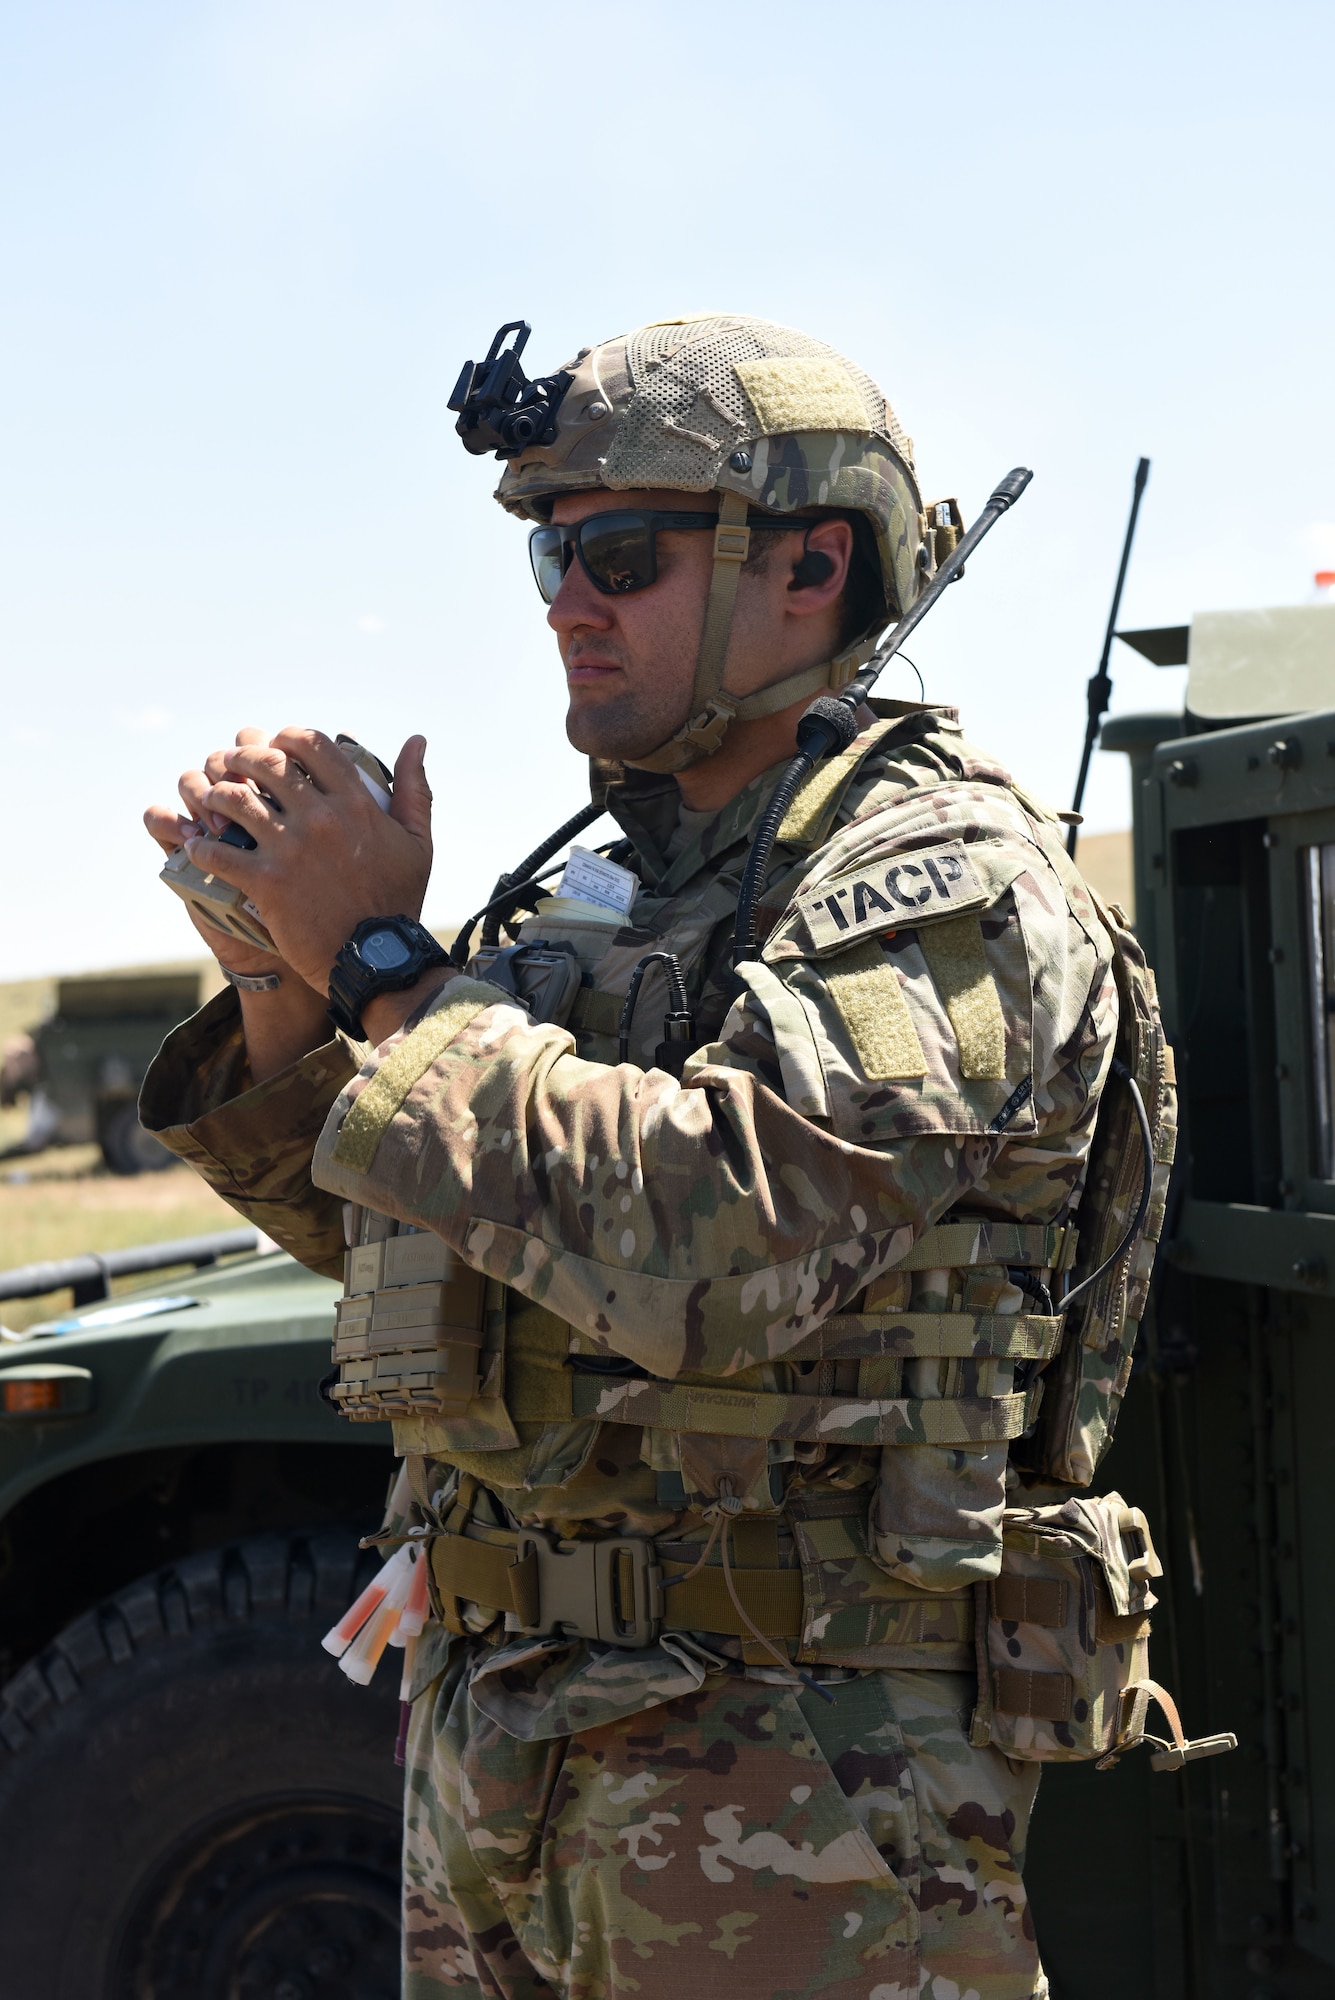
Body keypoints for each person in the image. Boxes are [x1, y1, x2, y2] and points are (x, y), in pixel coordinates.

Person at [141, 313, 1128, 2000]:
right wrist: (281, 990)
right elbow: (443, 1244)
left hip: (797, 1786)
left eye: (620, 550)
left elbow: (719, 1245)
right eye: (549, 548)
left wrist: (387, 971)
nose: (564, 600)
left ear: (813, 563)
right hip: (512, 1761)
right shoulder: (613, 891)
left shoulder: (943, 875)